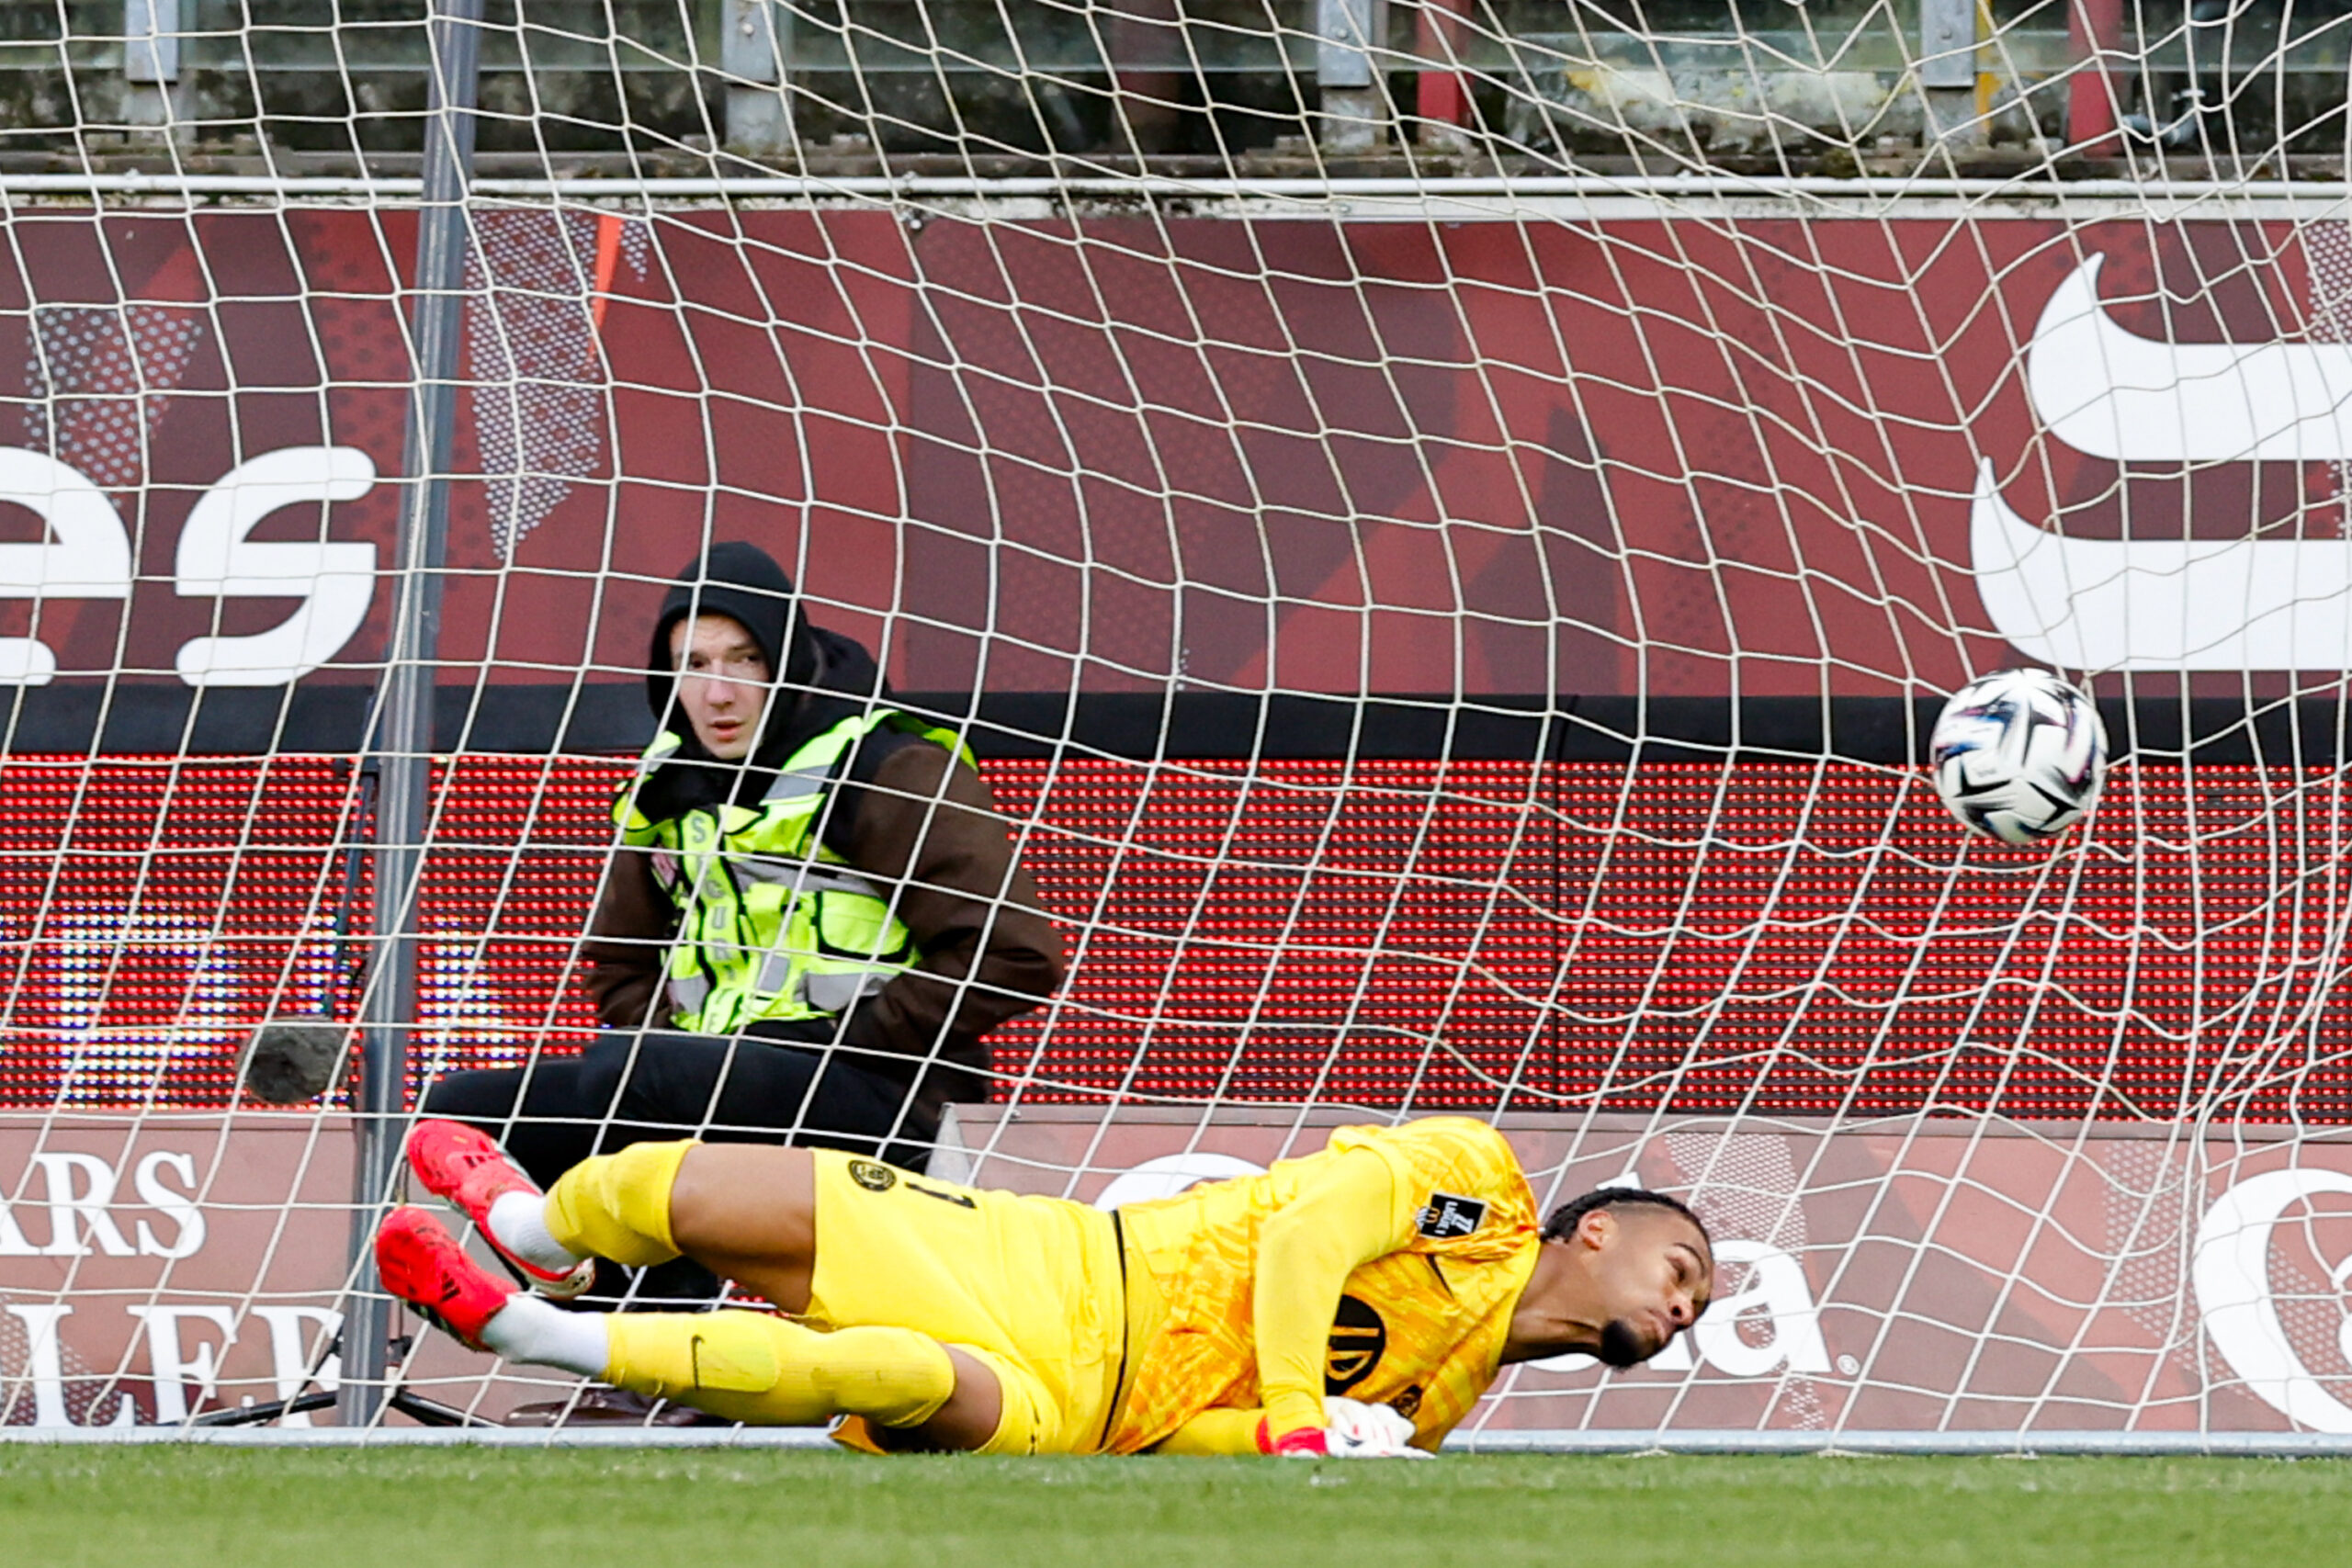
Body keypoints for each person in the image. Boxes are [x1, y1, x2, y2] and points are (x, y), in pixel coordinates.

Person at [415, 542, 1065, 1386]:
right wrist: (674, 1045)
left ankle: (670, 1355)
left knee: (635, 1074)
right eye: (692, 665)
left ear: (786, 658)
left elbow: (1014, 951)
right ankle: (584, 1296)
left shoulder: (889, 764)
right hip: (706, 1075)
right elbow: (617, 964)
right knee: (465, 1109)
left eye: (743, 660)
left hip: (877, 1086)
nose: (717, 693)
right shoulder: (666, 783)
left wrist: (849, 1036)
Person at [377, 1113, 1713, 1454]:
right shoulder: (1478, 1185)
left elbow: (1190, 1444)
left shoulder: (1431, 1410)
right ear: (1594, 1229)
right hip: (1055, 1259)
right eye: (1683, 1267)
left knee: (893, 1372)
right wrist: (1302, 1412)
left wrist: (1269, 1441)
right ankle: (531, 1225)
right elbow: (1309, 1232)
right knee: (700, 1188)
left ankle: (527, 1327)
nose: (1688, 1302)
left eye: (1701, 1304)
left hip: (1078, 1408)